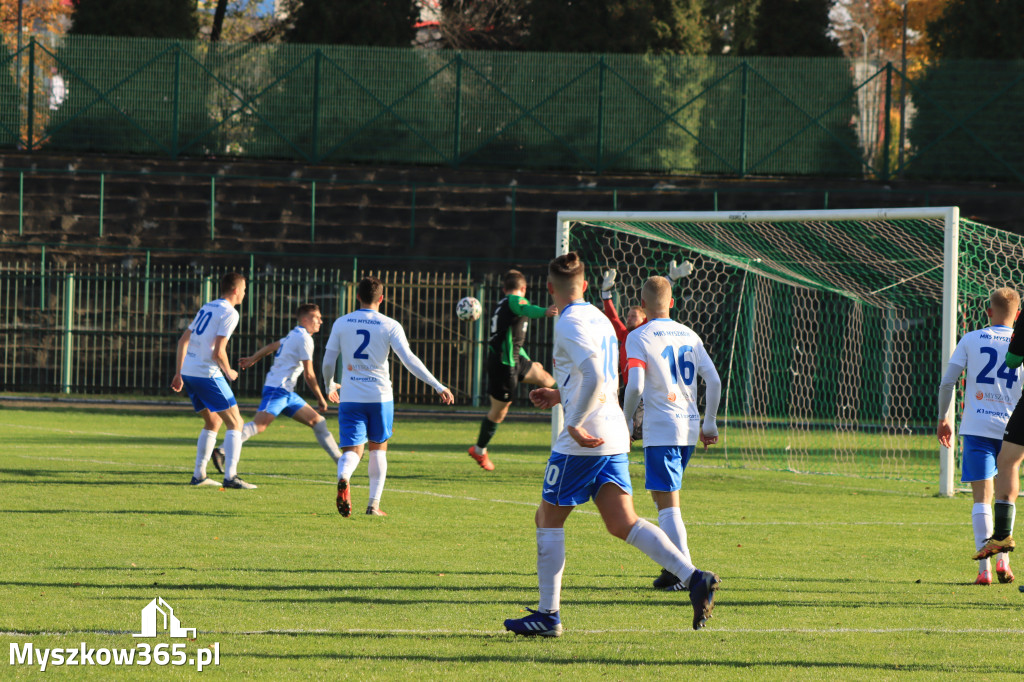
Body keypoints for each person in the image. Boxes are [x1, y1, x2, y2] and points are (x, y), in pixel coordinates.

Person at [503, 252, 720, 637]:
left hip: (583, 440)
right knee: (623, 522)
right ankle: (693, 576)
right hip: (614, 433)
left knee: (547, 519)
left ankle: (548, 615)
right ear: (585, 286)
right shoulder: (600, 318)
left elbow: (591, 374)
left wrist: (571, 421)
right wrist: (559, 395)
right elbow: (604, 377)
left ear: (550, 290)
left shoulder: (568, 321)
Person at [322, 276, 454, 517]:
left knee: (352, 451)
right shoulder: (390, 324)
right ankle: (373, 505)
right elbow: (409, 359)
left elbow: (329, 360)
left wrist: (329, 384)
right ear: (381, 298)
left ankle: (344, 475)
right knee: (378, 449)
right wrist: (437, 385)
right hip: (380, 397)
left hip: (350, 396)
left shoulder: (342, 323)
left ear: (358, 296)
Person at [622, 276, 721, 591]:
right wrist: (710, 422)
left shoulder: (639, 335)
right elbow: (714, 380)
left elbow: (636, 384)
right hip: (690, 425)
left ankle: (687, 574)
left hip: (663, 426)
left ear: (642, 305)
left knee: (667, 504)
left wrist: (625, 422)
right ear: (672, 302)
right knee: (663, 496)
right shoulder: (689, 334)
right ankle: (672, 568)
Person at [210, 303, 343, 471]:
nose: (320, 321)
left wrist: (253, 358)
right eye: (317, 318)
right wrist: (321, 398)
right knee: (259, 425)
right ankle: (222, 450)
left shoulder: (294, 334)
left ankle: (341, 461)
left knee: (318, 422)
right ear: (305, 319)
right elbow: (309, 374)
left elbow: (273, 346)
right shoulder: (304, 338)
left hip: (286, 392)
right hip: (277, 390)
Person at [170, 272, 255, 489]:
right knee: (236, 422)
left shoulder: (207, 307)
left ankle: (199, 476)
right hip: (206, 373)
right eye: (244, 289)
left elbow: (182, 341)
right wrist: (229, 372)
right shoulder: (230, 313)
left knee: (213, 421)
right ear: (236, 290)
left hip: (189, 372)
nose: (245, 293)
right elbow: (218, 351)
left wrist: (179, 372)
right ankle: (231, 477)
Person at [467, 269, 557, 471]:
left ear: (503, 288)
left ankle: (578, 417)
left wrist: (528, 360)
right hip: (504, 364)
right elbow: (525, 307)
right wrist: (544, 311)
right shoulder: (513, 301)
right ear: (523, 289)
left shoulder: (502, 304)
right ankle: (479, 450)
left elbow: (511, 340)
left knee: (546, 377)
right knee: (499, 411)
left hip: (515, 359)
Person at [600, 260, 691, 440]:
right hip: (627, 387)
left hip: (642, 386)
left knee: (635, 428)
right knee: (617, 422)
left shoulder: (646, 329)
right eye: (627, 316)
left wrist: (669, 280)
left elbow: (658, 301)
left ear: (644, 315)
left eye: (633, 315)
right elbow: (612, 316)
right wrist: (606, 294)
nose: (629, 318)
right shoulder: (625, 334)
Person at [969, 290, 1024, 569]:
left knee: (1008, 464)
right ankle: (1001, 537)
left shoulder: (973, 338)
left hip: (986, 420)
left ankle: (1000, 541)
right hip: (1011, 414)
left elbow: (1014, 360)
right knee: (1007, 461)